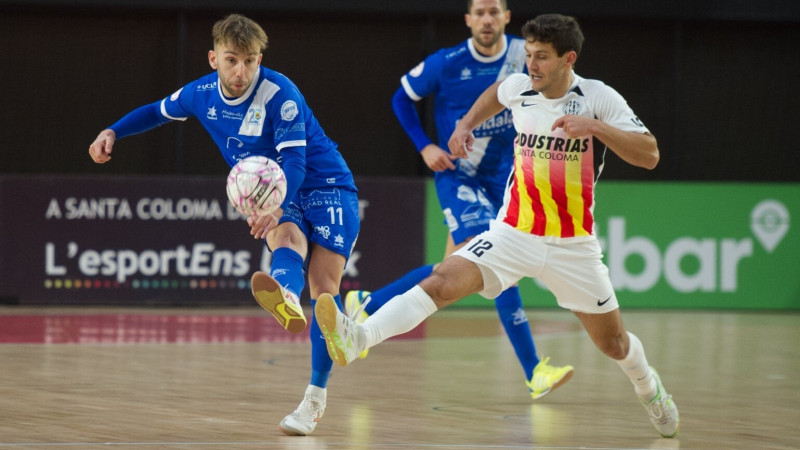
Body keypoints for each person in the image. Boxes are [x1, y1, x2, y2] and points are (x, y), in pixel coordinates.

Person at [316, 14, 680, 438]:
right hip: (512, 233)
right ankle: (359, 337)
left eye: (542, 57)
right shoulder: (520, 86)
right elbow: (496, 93)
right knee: (441, 281)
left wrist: (595, 127)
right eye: (528, 55)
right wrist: (466, 124)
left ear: (569, 59)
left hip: (571, 245)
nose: (531, 66)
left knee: (613, 343)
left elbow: (650, 153)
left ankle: (649, 387)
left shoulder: (598, 97)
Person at [88, 14, 359, 437]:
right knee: (284, 236)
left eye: (250, 61)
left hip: (326, 185)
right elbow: (157, 111)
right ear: (213, 58)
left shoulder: (279, 93)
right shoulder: (199, 94)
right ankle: (286, 294)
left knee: (324, 292)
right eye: (231, 60)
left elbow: (296, 163)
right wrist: (113, 131)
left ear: (259, 59)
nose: (241, 71)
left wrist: (278, 202)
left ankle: (316, 395)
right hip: (272, 190)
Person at [343, 0, 574, 400]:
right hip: (458, 176)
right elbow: (401, 98)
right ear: (468, 20)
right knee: (496, 258)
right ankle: (534, 369)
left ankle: (367, 302)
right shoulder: (446, 62)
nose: (487, 19)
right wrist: (424, 146)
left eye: (493, 11)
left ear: (506, 17)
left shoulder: (527, 56)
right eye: (479, 12)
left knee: (452, 272)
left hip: (505, 181)